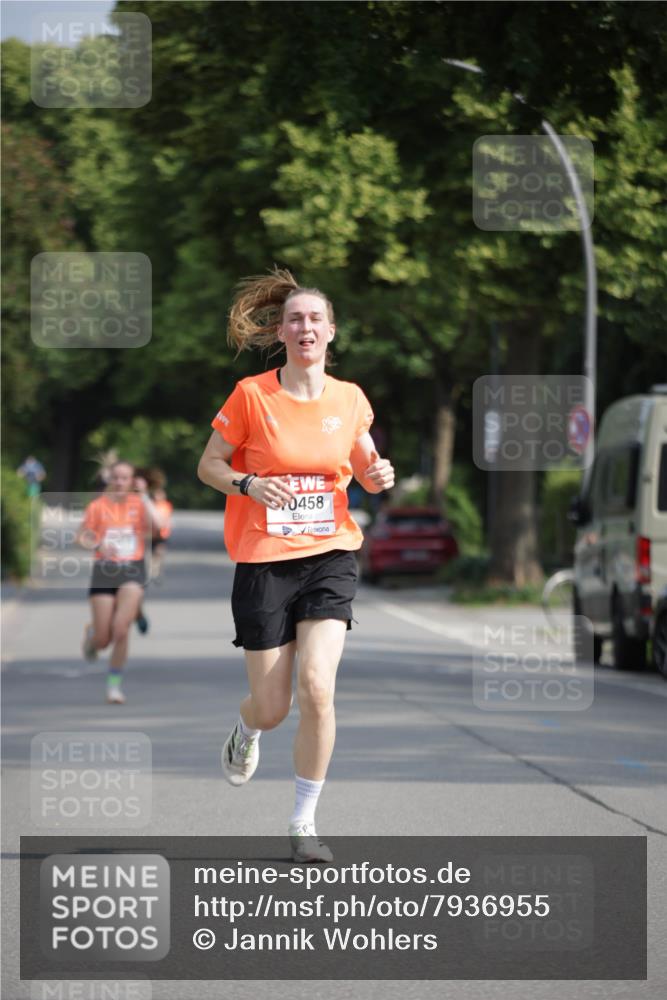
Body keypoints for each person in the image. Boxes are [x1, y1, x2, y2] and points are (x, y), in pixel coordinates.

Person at [197, 268, 395, 862]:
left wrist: (378, 475)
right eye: (294, 319)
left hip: (330, 553)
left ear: (330, 332)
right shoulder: (252, 396)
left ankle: (304, 821)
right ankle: (247, 729)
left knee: (318, 687)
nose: (305, 326)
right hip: (264, 559)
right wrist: (249, 484)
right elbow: (209, 465)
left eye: (315, 318)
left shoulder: (350, 398)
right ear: (281, 332)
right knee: (273, 706)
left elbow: (365, 467)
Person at [76, 460, 164, 704]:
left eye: (125, 478)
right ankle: (92, 634)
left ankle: (114, 686)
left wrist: (144, 496)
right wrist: (97, 544)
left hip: (132, 571)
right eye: (115, 477)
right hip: (104, 571)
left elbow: (159, 527)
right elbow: (81, 536)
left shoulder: (140, 504)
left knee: (121, 629)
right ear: (109, 479)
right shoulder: (97, 506)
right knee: (103, 640)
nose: (119, 482)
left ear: (133, 481)